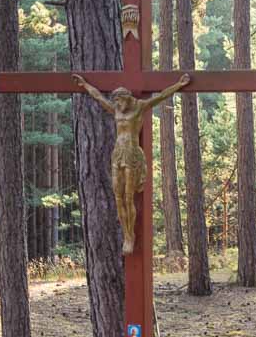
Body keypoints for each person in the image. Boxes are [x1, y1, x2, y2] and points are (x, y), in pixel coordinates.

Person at [72, 73, 191, 254]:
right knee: (117, 195)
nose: (118, 104)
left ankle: (130, 236)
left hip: (132, 153)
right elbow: (98, 97)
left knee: (128, 197)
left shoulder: (139, 106)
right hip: (117, 153)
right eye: (116, 101)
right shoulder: (116, 110)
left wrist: (179, 85)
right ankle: (126, 233)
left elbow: (161, 96)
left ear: (127, 98)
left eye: (120, 100)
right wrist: (85, 85)